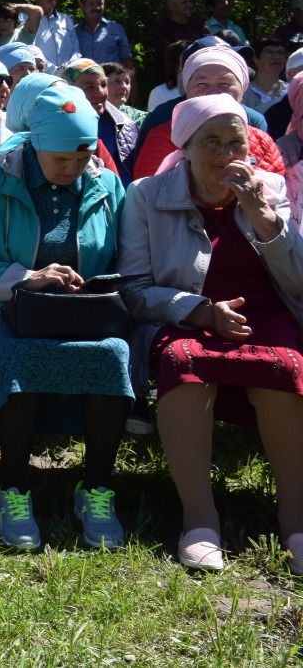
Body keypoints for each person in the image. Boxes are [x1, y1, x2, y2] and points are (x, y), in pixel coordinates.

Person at [119, 94, 303, 574]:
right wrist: (200, 311)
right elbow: (136, 289)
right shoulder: (146, 195)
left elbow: (299, 281)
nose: (226, 155)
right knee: (182, 362)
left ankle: (296, 522)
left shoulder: (269, 188)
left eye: (235, 143)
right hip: (188, 316)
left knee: (283, 365)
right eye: (212, 143)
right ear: (186, 146)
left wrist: (264, 217)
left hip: (265, 313)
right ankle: (200, 521)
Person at [0, 84, 131, 551]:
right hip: (2, 307)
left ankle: (96, 488)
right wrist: (26, 277)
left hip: (82, 314)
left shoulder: (107, 184)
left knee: (114, 356)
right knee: (23, 354)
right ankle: (13, 488)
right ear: (34, 144)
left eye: (82, 158)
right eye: (60, 160)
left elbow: (124, 260)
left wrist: (94, 285)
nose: (72, 169)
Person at [131, 44, 285, 178]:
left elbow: (274, 192)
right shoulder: (162, 126)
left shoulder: (257, 129)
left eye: (224, 83)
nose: (213, 92)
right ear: (187, 89)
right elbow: (147, 192)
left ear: (243, 88)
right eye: (202, 83)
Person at [66, 58, 138, 176]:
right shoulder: (59, 129)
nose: (100, 92)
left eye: (103, 84)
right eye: (89, 87)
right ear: (69, 90)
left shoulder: (125, 125)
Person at [24, 0, 80, 65]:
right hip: (41, 74)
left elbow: (76, 50)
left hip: (68, 74)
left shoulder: (66, 20)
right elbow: (27, 49)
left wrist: (71, 67)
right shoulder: (25, 19)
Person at [150, 0, 209, 71]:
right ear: (171, 6)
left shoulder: (198, 24)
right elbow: (166, 55)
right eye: (184, 3)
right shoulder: (161, 28)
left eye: (190, 2)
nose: (189, 5)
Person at [74, 0, 132, 64]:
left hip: (111, 76)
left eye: (99, 4)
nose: (96, 8)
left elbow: (127, 60)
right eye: (91, 4)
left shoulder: (116, 29)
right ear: (81, 5)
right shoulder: (74, 33)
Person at [245, 38, 291, 114]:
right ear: (256, 59)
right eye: (270, 52)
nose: (276, 57)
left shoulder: (291, 90)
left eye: (281, 52)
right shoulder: (244, 93)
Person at [103, 60, 146, 126]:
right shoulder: (91, 114)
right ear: (102, 84)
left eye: (127, 82)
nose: (124, 87)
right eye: (117, 81)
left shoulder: (140, 117)